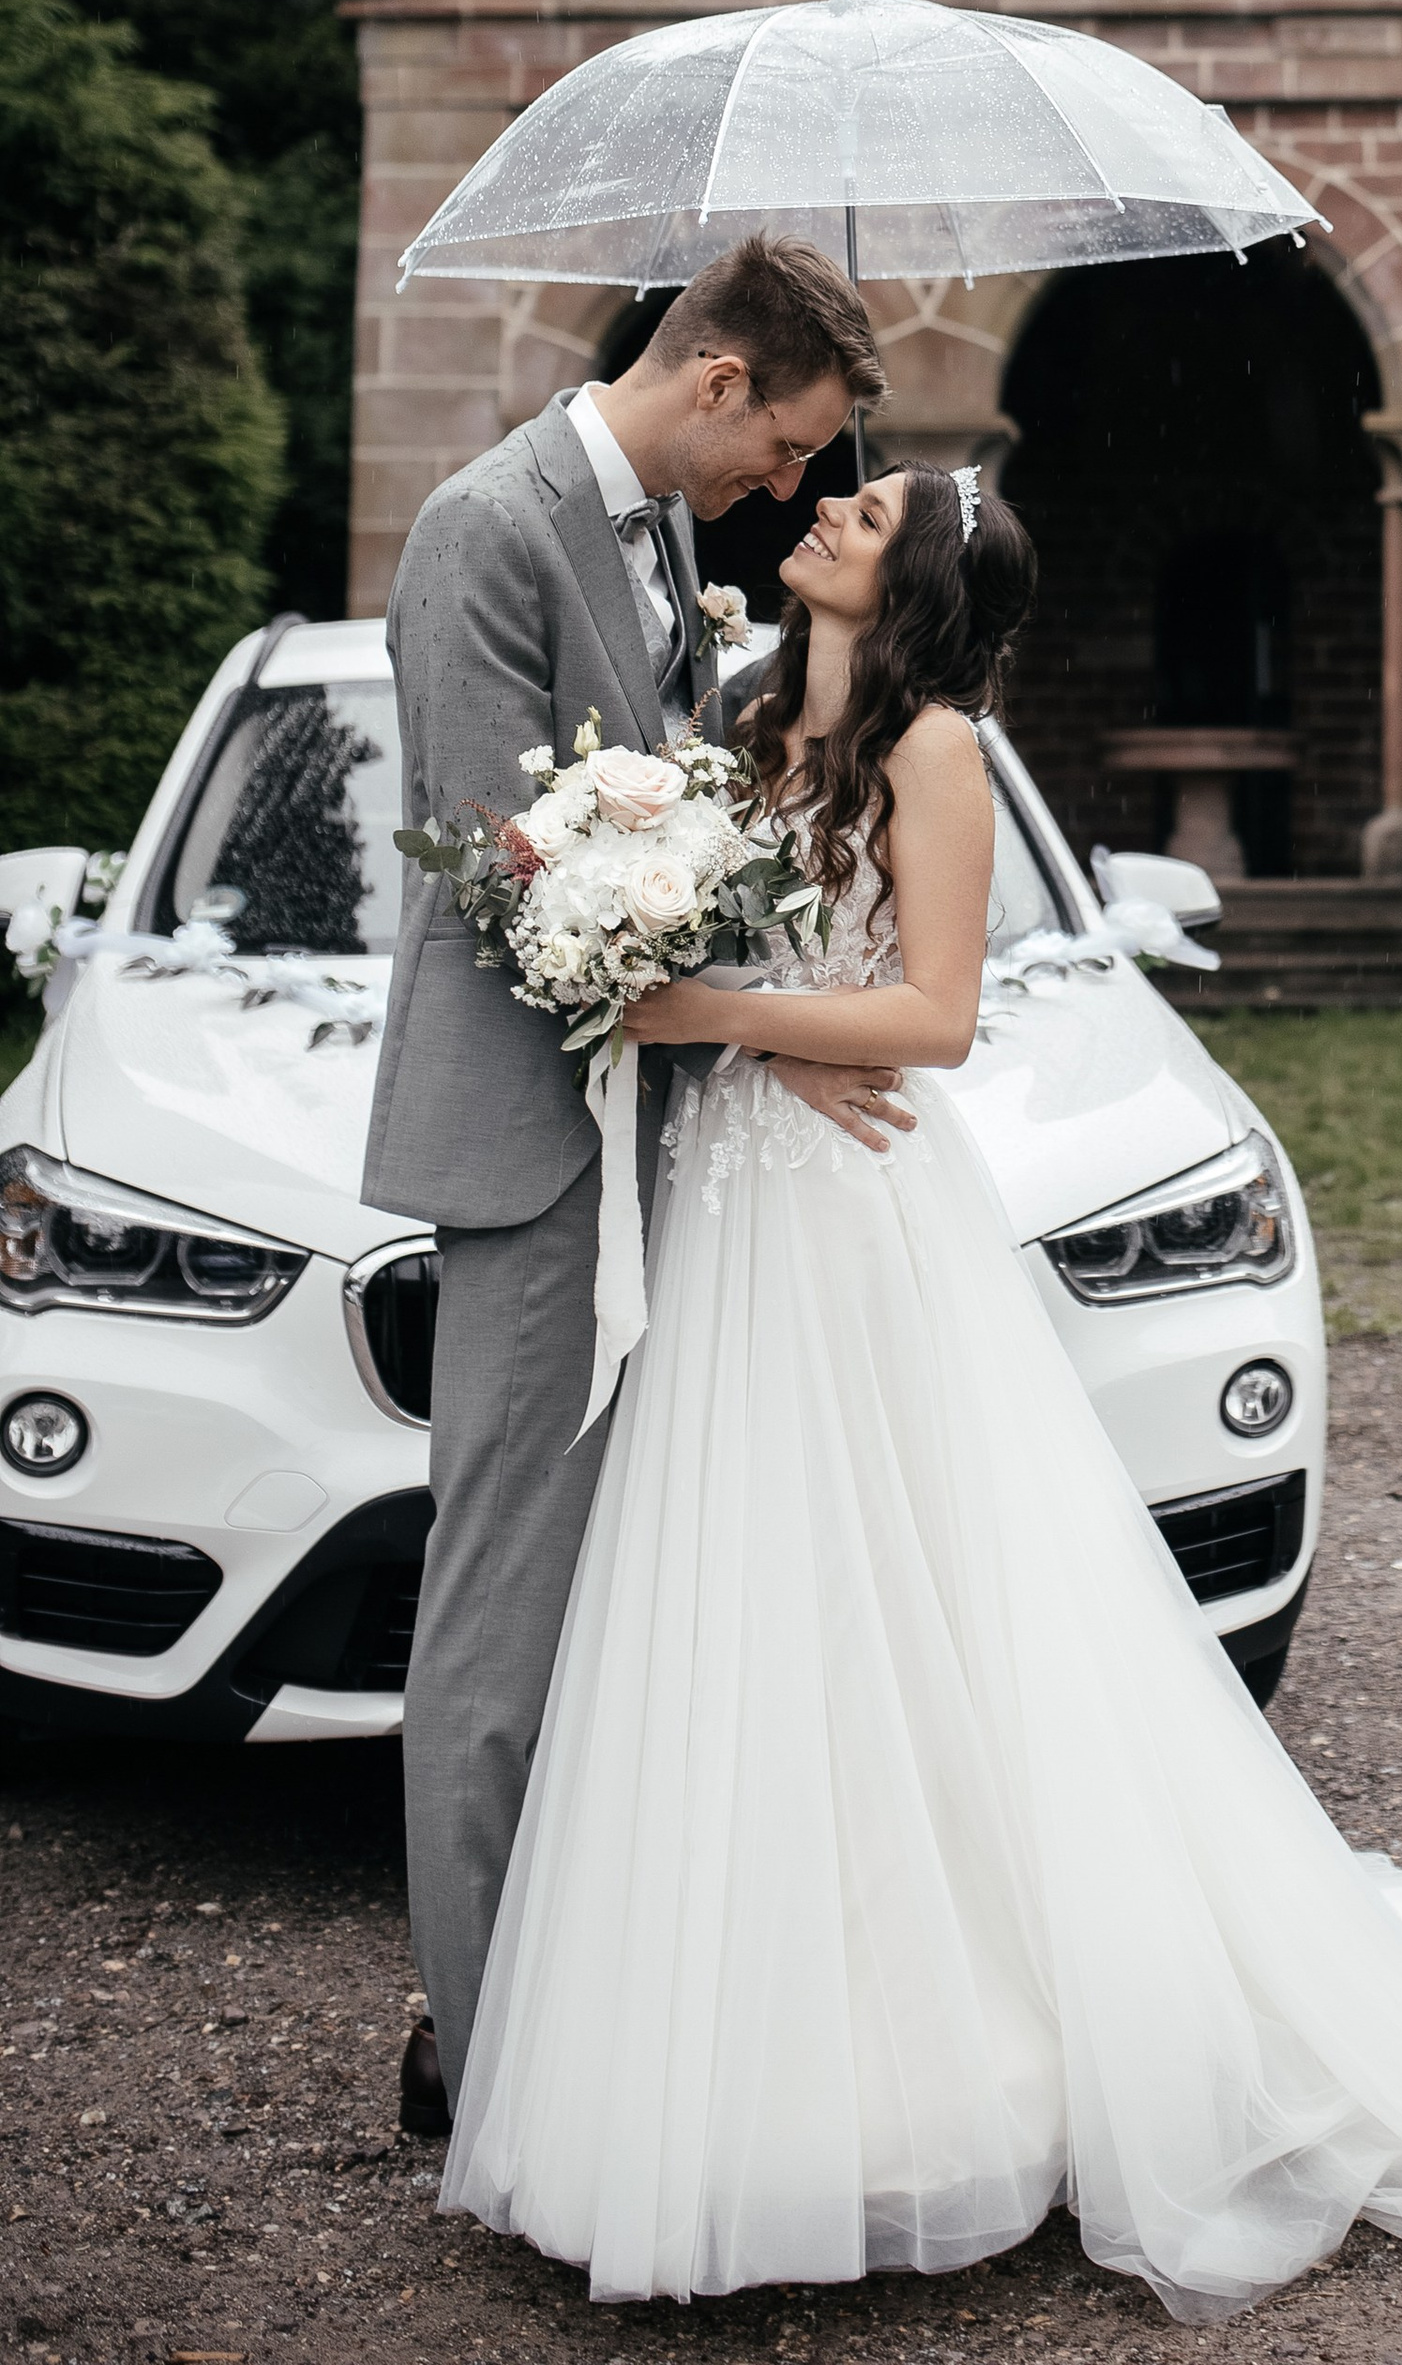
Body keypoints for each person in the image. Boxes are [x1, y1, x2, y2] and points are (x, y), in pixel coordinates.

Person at [441, 460, 1402, 2318]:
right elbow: (704, 933)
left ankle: (955, 2057)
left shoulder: (934, 749)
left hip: (850, 1220)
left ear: (915, 578)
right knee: (749, 1606)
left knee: (910, 1601)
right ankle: (750, 2048)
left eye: (870, 511)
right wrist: (639, 950)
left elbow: (933, 1017)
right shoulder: (748, 712)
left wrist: (715, 1015)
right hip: (730, 1212)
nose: (834, 509)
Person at [369, 233, 892, 2142]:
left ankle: (587, 2002)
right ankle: (491, 2056)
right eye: (790, 453)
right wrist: (771, 1028)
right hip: (530, 1155)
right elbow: (513, 882)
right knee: (503, 1616)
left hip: (658, 1137)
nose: (791, 496)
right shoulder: (479, 532)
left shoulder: (664, 535)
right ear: (722, 384)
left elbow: (662, 809)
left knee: (635, 1602)